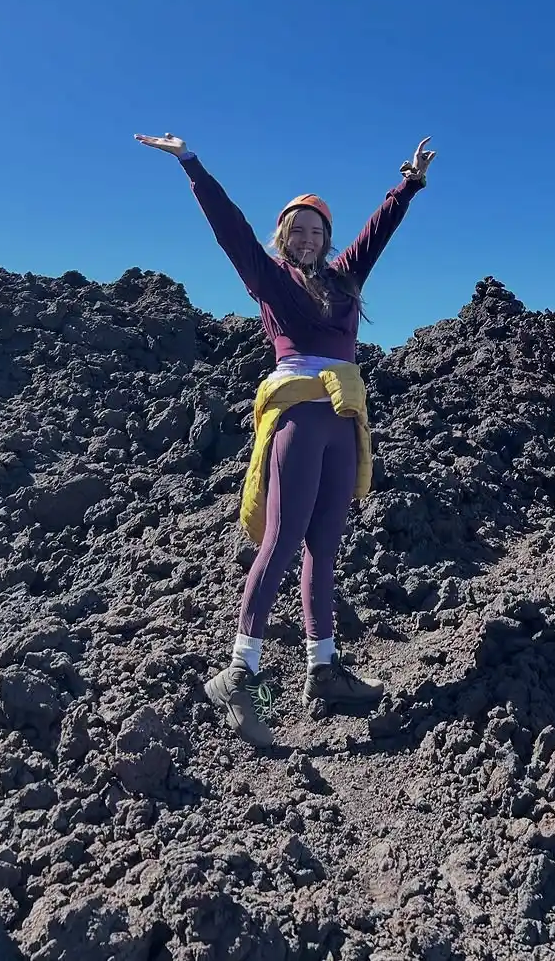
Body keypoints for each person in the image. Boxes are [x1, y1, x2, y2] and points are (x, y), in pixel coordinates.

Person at [135, 129, 436, 747]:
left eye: (316, 230)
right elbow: (231, 232)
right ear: (283, 239)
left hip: (344, 419)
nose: (307, 238)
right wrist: (193, 165)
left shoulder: (344, 278)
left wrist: (407, 183)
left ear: (327, 239)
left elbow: (377, 233)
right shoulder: (270, 280)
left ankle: (322, 668)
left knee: (323, 545)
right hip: (298, 415)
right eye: (296, 230)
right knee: (282, 538)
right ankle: (239, 672)